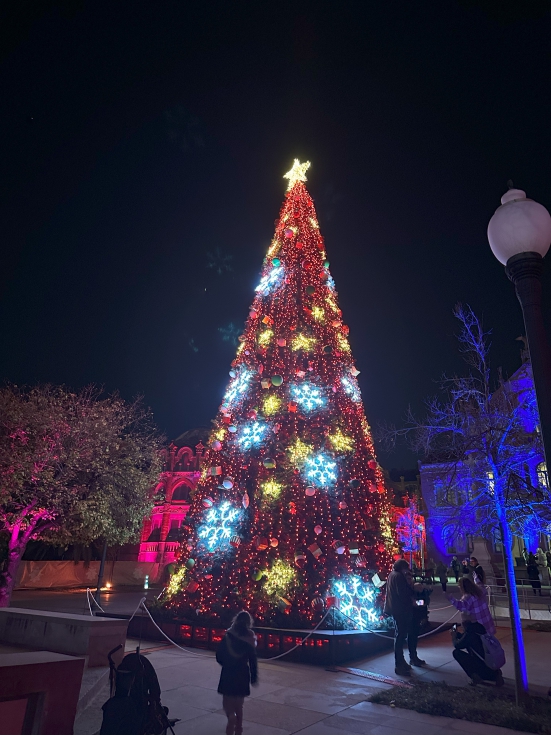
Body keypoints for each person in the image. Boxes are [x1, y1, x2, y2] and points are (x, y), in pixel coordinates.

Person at [216, 611, 258, 735]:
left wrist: (226, 663)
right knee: (239, 704)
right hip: (242, 673)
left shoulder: (228, 636)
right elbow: (253, 660)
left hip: (228, 672)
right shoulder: (250, 638)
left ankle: (231, 717)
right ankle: (239, 728)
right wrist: (253, 677)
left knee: (227, 701)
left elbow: (219, 655)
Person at [384, 559, 426, 676]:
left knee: (400, 635)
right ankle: (399, 664)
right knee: (400, 636)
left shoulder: (392, 575)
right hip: (401, 610)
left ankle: (402, 662)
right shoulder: (398, 576)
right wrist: (413, 593)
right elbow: (403, 593)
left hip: (397, 609)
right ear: (403, 567)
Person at [452, 620, 504, 687]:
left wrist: (453, 636)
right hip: (491, 664)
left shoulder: (469, 635)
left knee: (456, 653)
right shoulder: (480, 631)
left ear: (465, 627)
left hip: (481, 666)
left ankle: (475, 676)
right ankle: (496, 675)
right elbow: (464, 638)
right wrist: (457, 634)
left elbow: (457, 645)